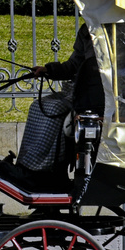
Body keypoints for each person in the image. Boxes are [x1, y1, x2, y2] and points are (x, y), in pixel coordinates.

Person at [22, 26, 105, 175]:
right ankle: (27, 164)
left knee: (53, 110)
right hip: (82, 91)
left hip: (100, 96)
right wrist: (49, 70)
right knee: (37, 106)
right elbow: (74, 64)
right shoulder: (87, 29)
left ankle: (48, 168)